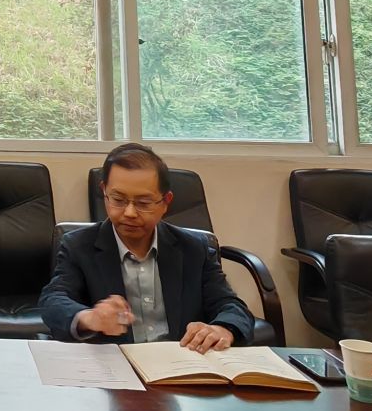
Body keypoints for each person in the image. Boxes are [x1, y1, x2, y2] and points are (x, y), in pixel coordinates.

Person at [39, 142, 253, 354]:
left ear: (166, 201)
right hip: (117, 364)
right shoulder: (78, 246)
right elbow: (54, 300)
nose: (130, 213)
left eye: (143, 203)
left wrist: (222, 329)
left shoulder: (194, 249)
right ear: (104, 192)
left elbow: (231, 305)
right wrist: (89, 318)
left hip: (180, 361)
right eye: (118, 199)